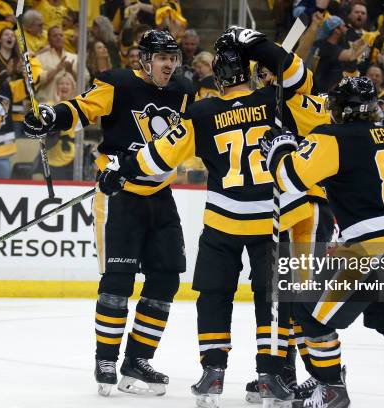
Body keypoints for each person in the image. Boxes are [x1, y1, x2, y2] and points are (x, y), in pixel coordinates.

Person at [95, 26, 332, 408]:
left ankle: (213, 373)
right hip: (271, 221)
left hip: (223, 222)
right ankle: (271, 376)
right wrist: (266, 57)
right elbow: (318, 108)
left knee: (214, 296)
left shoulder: (202, 112)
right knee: (270, 299)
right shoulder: (278, 102)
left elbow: (159, 156)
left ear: (219, 78)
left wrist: (120, 168)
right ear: (251, 71)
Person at [23, 29, 195, 397]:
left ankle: (137, 359)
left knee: (165, 280)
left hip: (161, 196)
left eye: (173, 58)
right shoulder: (116, 82)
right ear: (145, 59)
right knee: (118, 280)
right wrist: (51, 115)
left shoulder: (184, 92)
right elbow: (83, 109)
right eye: (162, 58)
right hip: (119, 195)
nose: (169, 65)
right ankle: (106, 359)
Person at [259, 76, 384, 408]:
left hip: (371, 250)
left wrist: (279, 148)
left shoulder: (331, 137)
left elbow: (289, 179)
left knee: (311, 312)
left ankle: (331, 389)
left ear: (341, 110)